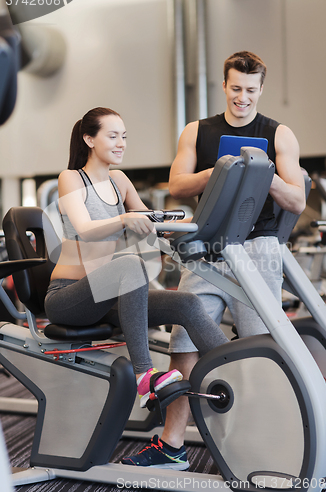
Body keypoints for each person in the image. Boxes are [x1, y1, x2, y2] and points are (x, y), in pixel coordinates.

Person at [121, 51, 306, 468]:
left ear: (262, 89)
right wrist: (217, 171)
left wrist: (260, 171)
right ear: (223, 85)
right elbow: (176, 184)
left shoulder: (279, 134)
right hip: (206, 248)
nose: (243, 97)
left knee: (262, 346)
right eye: (236, 88)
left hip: (256, 248)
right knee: (184, 343)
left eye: (251, 91)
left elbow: (297, 197)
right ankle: (172, 446)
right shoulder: (197, 131)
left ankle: (267, 441)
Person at [44, 106, 230, 415]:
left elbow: (150, 223)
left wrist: (180, 225)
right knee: (131, 264)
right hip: (68, 297)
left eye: (124, 136)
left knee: (186, 303)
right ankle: (145, 377)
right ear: (89, 139)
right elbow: (85, 230)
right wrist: (125, 220)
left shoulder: (120, 180)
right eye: (112, 136)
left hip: (109, 297)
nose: (121, 143)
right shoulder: (72, 178)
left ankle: (241, 367)